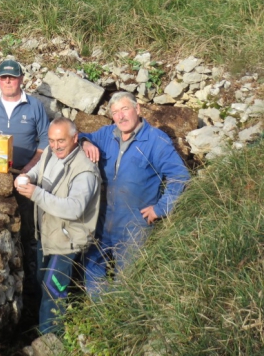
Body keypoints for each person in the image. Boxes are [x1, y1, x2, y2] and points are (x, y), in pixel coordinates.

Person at [80, 91, 190, 295]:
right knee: (93, 270)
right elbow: (77, 135)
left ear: (137, 109)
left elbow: (180, 176)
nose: (120, 116)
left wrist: (161, 209)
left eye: (125, 109)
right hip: (102, 221)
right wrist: (85, 142)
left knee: (128, 282)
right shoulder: (106, 134)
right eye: (115, 112)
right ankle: (99, 317)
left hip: (134, 226)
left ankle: (122, 321)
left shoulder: (156, 140)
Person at [0, 59, 50, 295]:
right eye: (4, 77)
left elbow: (45, 143)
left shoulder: (34, 106)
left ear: (21, 79)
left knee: (29, 233)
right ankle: (4, 281)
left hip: (25, 178)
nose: (7, 81)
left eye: (12, 77)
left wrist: (29, 169)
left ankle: (33, 288)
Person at [15, 117, 101, 334]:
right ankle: (38, 328)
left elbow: (74, 209)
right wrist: (27, 176)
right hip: (47, 234)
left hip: (66, 241)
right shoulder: (51, 153)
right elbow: (39, 171)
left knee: (53, 292)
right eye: (51, 140)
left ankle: (50, 340)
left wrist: (36, 193)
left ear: (75, 138)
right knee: (41, 281)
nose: (55, 146)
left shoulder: (85, 171)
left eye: (60, 140)